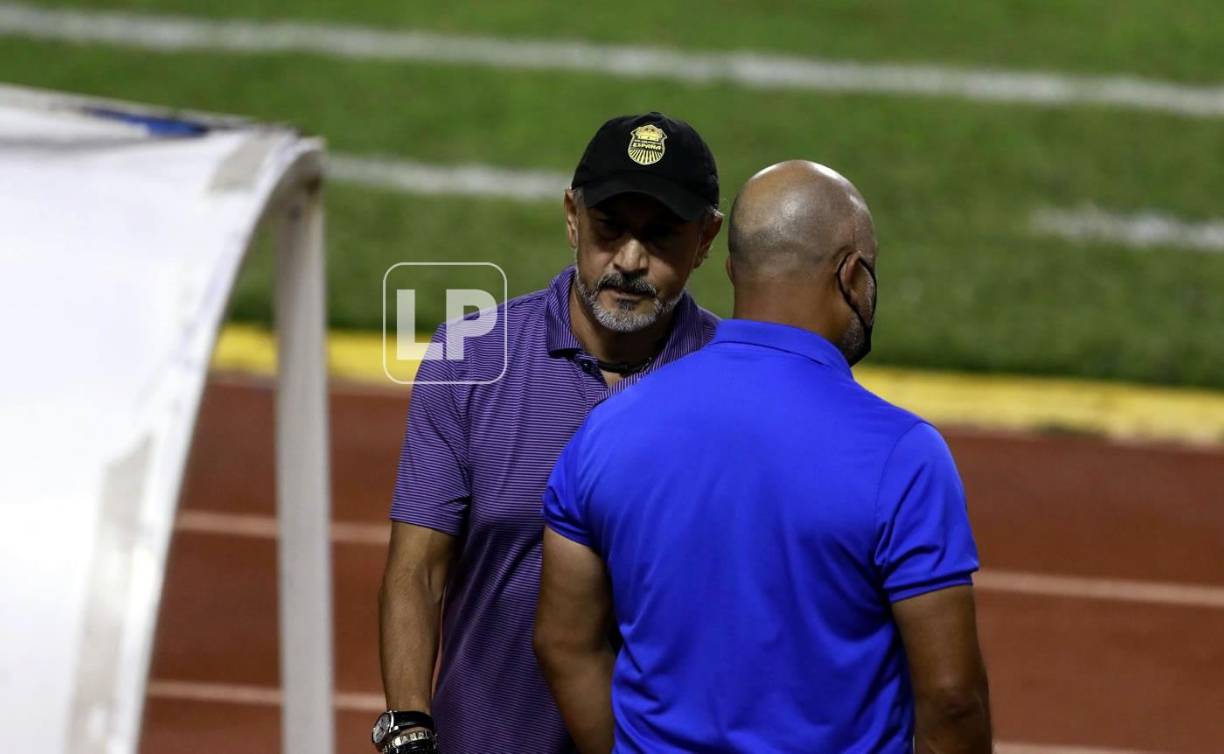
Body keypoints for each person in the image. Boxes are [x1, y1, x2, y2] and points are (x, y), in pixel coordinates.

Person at [535, 161, 992, 753]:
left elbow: (562, 642)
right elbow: (952, 698)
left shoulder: (608, 429)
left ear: (731, 269)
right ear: (852, 276)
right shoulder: (903, 456)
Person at [375, 112, 724, 754]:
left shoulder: (735, 379)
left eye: (661, 237)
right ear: (571, 215)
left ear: (706, 239)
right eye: (609, 229)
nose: (629, 260)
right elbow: (417, 572)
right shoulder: (470, 358)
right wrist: (408, 730)